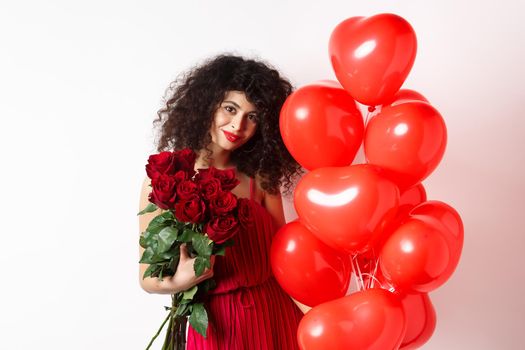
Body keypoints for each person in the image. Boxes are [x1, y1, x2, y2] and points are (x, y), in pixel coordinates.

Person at [138, 54, 312, 349]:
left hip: (275, 314)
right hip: (216, 326)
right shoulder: (166, 179)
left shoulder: (259, 177)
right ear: (207, 105)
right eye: (230, 109)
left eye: (252, 116)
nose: (238, 124)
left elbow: (285, 260)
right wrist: (179, 282)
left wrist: (316, 316)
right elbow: (146, 277)